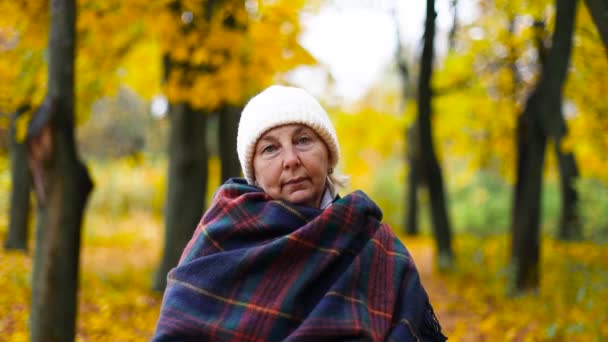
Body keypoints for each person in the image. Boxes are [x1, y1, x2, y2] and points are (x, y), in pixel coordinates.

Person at [153, 85, 446, 341]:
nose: (291, 160)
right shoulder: (221, 235)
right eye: (270, 149)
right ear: (252, 171)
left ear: (329, 155)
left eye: (303, 140)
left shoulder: (375, 244)